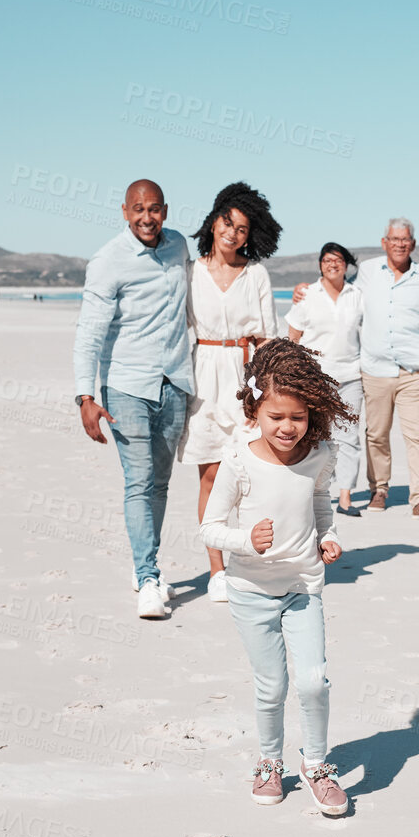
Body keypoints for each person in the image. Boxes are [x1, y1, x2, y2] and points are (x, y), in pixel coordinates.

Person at [198, 340, 360, 816]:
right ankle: (270, 763)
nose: (288, 428)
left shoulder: (320, 456)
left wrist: (329, 537)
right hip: (250, 592)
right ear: (255, 409)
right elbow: (209, 526)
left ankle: (317, 765)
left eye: (299, 417)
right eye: (276, 417)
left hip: (304, 587)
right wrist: (248, 540)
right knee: (271, 686)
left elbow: (319, 505)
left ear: (313, 413)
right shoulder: (238, 462)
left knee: (313, 682)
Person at [72, 179, 193, 620]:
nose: (147, 217)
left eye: (155, 209)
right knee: (138, 482)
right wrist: (85, 396)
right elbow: (88, 333)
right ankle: (146, 577)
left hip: (175, 381)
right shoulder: (108, 262)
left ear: (165, 210)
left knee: (159, 485)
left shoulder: (179, 246)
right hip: (126, 386)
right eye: (138, 209)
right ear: (125, 211)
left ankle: (149, 569)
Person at [293, 217, 419, 520]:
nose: (399, 244)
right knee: (376, 434)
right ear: (384, 242)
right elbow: (337, 291)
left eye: (405, 240)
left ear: (412, 244)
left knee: (416, 434)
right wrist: (305, 289)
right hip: (374, 369)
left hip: (413, 371)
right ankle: (380, 489)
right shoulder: (368, 272)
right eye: (394, 239)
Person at [179, 183, 283, 604]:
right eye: (227, 222)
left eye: (242, 229)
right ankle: (217, 570)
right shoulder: (191, 271)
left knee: (251, 475)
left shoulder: (256, 274)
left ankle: (251, 560)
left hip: (245, 379)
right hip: (203, 378)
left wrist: (266, 391)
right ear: (214, 220)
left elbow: (270, 336)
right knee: (209, 476)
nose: (233, 233)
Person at [284, 242, 364, 515]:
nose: (333, 264)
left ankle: (345, 498)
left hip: (352, 375)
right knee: (317, 436)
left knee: (349, 437)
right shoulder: (307, 295)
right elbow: (293, 338)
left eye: (338, 259)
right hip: (317, 378)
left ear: (346, 264)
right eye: (327, 260)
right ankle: (315, 493)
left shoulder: (357, 295)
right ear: (320, 265)